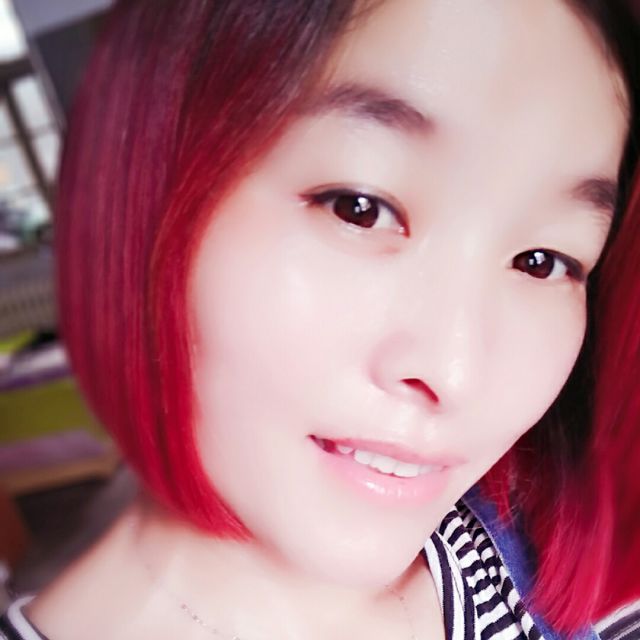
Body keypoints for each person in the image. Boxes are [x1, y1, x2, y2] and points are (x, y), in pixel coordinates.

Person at [2, 0, 640, 638]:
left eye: (541, 261)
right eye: (358, 208)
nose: (455, 372)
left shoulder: (556, 549)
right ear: (147, 190)